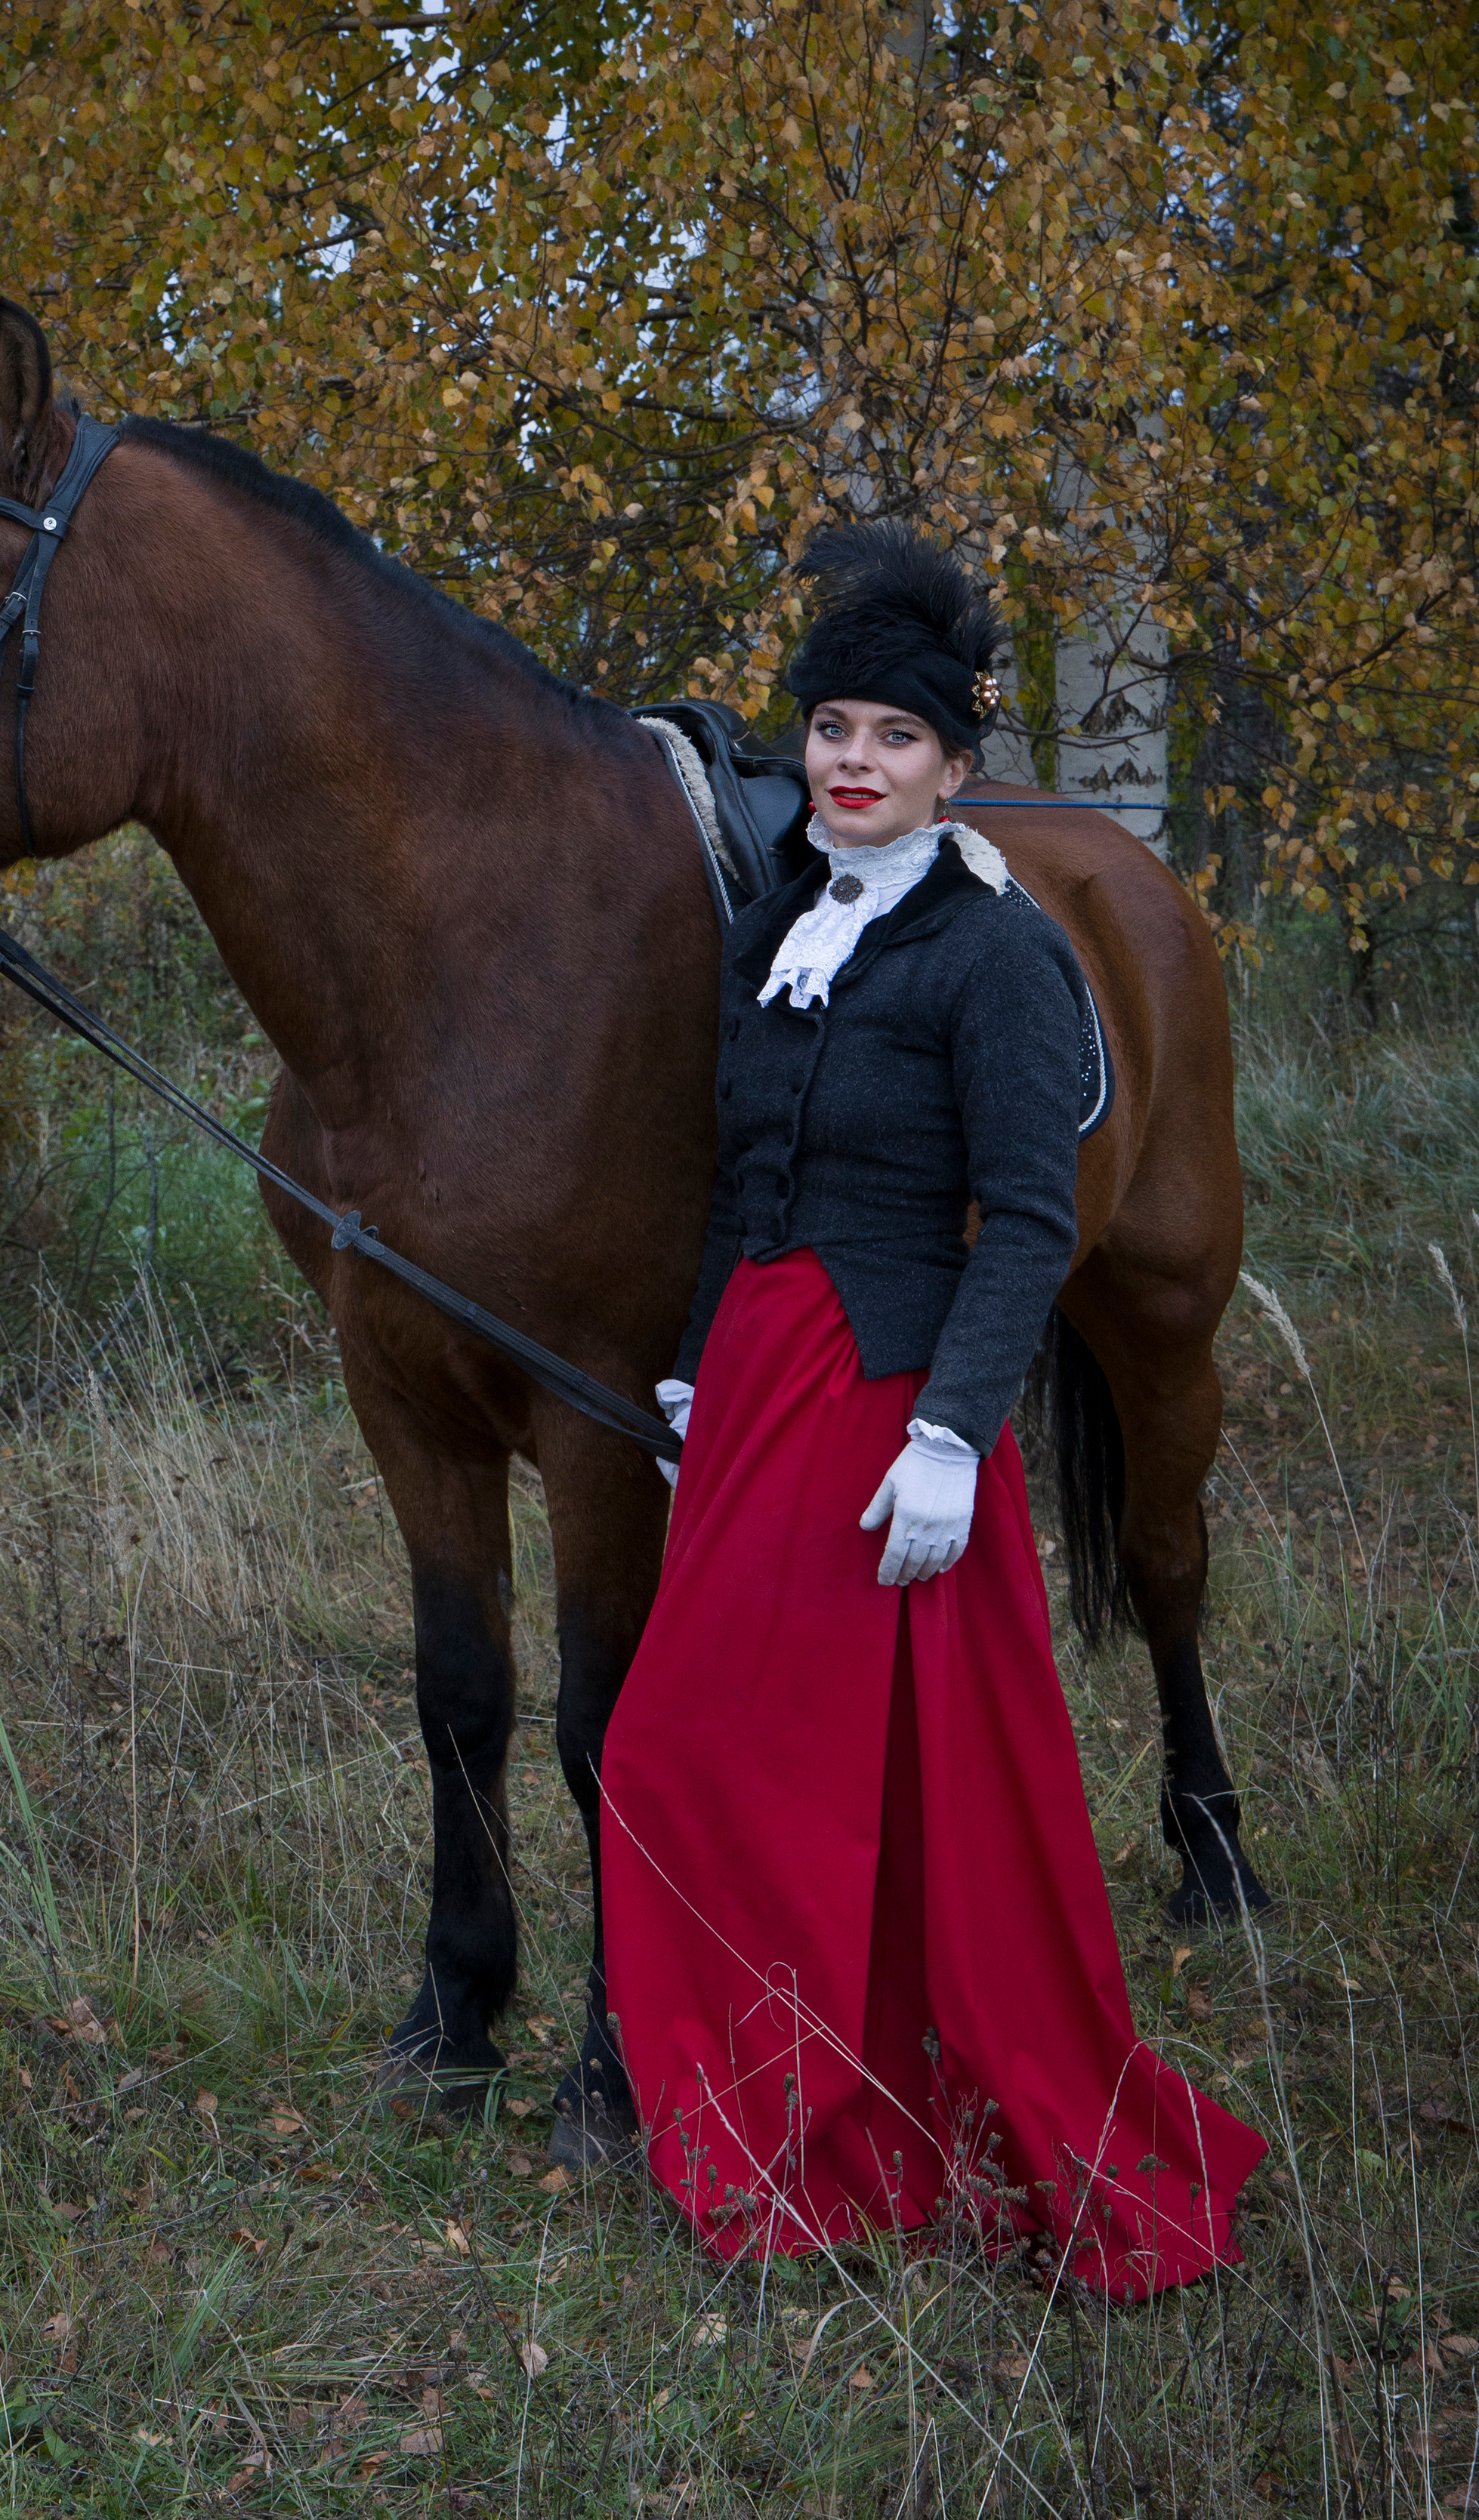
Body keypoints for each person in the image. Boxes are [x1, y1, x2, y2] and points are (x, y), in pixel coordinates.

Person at [598, 523, 1264, 2298]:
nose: (851, 762)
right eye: (829, 730)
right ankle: (764, 2087)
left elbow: (1032, 1220)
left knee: (849, 1778)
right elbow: (740, 1181)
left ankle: (859, 2109)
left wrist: (956, 1436)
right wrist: (687, 1361)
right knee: (684, 1745)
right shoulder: (775, 929)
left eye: (891, 740)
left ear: (952, 770)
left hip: (889, 1394)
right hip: (756, 1371)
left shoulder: (994, 956)